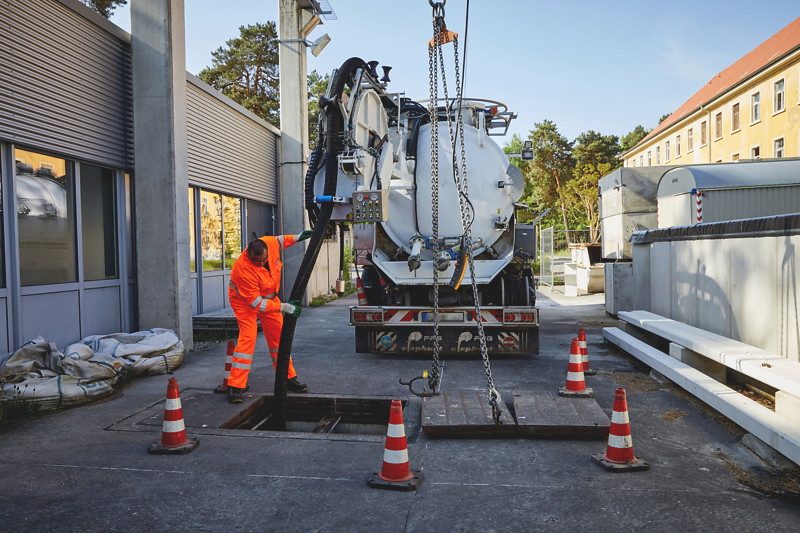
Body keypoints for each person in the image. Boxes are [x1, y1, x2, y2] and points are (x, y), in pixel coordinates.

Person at [226, 230, 313, 404]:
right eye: (256, 261)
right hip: (244, 302)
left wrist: (297, 237)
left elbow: (280, 241)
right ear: (248, 254)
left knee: (279, 339)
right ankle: (235, 386)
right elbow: (255, 304)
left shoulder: (269, 243)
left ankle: (287, 378)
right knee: (248, 339)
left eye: (264, 260)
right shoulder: (242, 268)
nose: (261, 263)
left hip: (270, 298)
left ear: (267, 251)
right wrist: (284, 308)